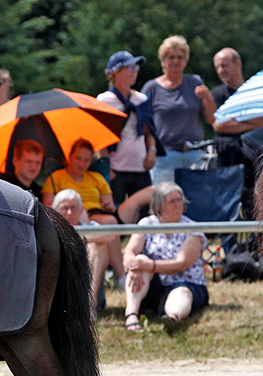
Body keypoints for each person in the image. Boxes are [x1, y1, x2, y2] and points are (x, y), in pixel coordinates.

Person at [123, 182, 209, 332]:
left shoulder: (192, 229)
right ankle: (131, 314)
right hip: (153, 284)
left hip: (186, 283)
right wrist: (135, 264)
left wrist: (150, 265)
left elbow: (181, 264)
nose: (178, 204)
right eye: (172, 201)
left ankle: (172, 318)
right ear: (159, 205)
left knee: (181, 291)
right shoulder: (146, 224)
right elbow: (129, 251)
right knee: (140, 261)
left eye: (179, 200)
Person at [42, 139, 125, 278]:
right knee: (106, 229)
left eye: (86, 160)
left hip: (95, 216)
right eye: (78, 158)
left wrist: (108, 205)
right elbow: (48, 206)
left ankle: (120, 276)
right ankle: (120, 276)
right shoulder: (56, 177)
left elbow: (109, 204)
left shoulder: (97, 178)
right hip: (67, 215)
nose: (81, 164)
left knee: (110, 222)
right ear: (70, 157)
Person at [140, 36, 216, 184]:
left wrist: (208, 97)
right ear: (163, 61)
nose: (175, 61)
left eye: (180, 57)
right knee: (165, 201)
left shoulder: (195, 82)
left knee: (197, 200)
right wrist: (150, 150)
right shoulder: (151, 88)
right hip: (164, 155)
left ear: (186, 60)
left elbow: (211, 119)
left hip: (194, 153)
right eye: (171, 57)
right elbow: (143, 125)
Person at [210, 48, 263, 213]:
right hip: (228, 158)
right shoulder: (216, 94)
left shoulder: (255, 90)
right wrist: (252, 122)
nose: (221, 70)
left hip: (255, 158)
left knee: (257, 203)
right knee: (227, 204)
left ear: (238, 63)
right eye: (218, 67)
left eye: (224, 65)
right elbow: (219, 124)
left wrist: (235, 122)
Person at [96, 51, 162, 205]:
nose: (135, 72)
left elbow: (149, 131)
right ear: (116, 72)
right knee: (116, 210)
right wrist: (106, 169)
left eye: (136, 68)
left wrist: (152, 151)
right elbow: (101, 137)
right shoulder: (104, 100)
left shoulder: (142, 99)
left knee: (145, 212)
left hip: (140, 166)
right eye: (130, 68)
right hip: (116, 167)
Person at [52, 189, 112, 312]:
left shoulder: (91, 227)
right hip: (62, 278)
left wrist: (82, 238)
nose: (69, 212)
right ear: (56, 210)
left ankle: (89, 304)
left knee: (98, 245)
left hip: (88, 278)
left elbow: (110, 236)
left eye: (73, 208)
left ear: (81, 210)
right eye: (65, 208)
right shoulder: (51, 229)